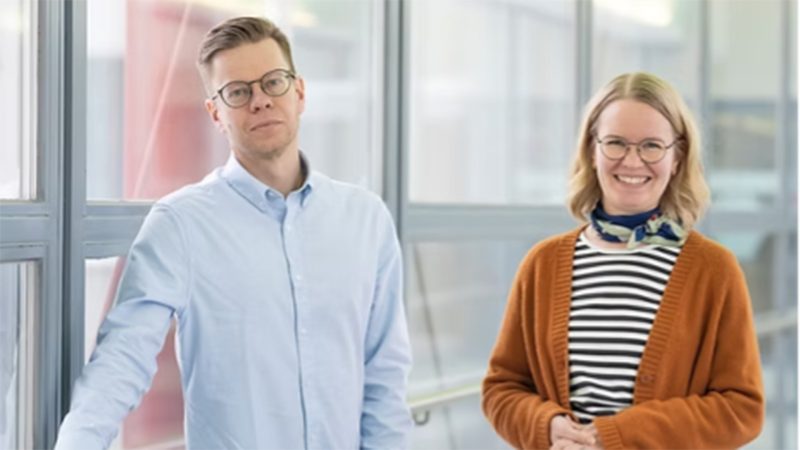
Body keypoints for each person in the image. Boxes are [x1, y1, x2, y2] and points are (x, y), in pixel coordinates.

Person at [56, 16, 412, 450]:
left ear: (299, 92)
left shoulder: (366, 220)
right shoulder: (181, 224)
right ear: (215, 113)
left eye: (273, 82)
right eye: (238, 92)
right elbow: (121, 360)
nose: (260, 101)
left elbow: (385, 378)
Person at [481, 72, 764, 449]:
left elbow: (742, 408)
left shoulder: (714, 269)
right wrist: (545, 426)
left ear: (677, 158)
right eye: (615, 143)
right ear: (591, 151)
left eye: (651, 146)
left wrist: (619, 436)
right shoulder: (542, 264)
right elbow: (502, 388)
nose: (632, 161)